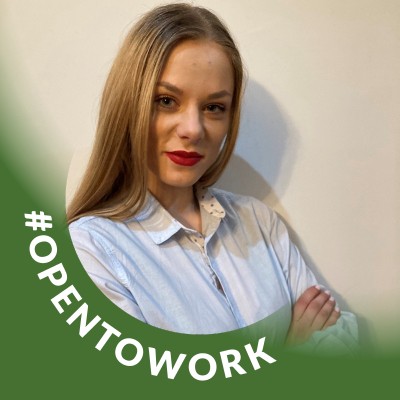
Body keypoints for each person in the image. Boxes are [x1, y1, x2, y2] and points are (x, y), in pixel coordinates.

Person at [68, 3, 358, 351]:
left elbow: (342, 347)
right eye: (166, 100)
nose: (193, 129)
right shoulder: (90, 251)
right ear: (128, 104)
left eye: (214, 107)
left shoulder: (259, 223)